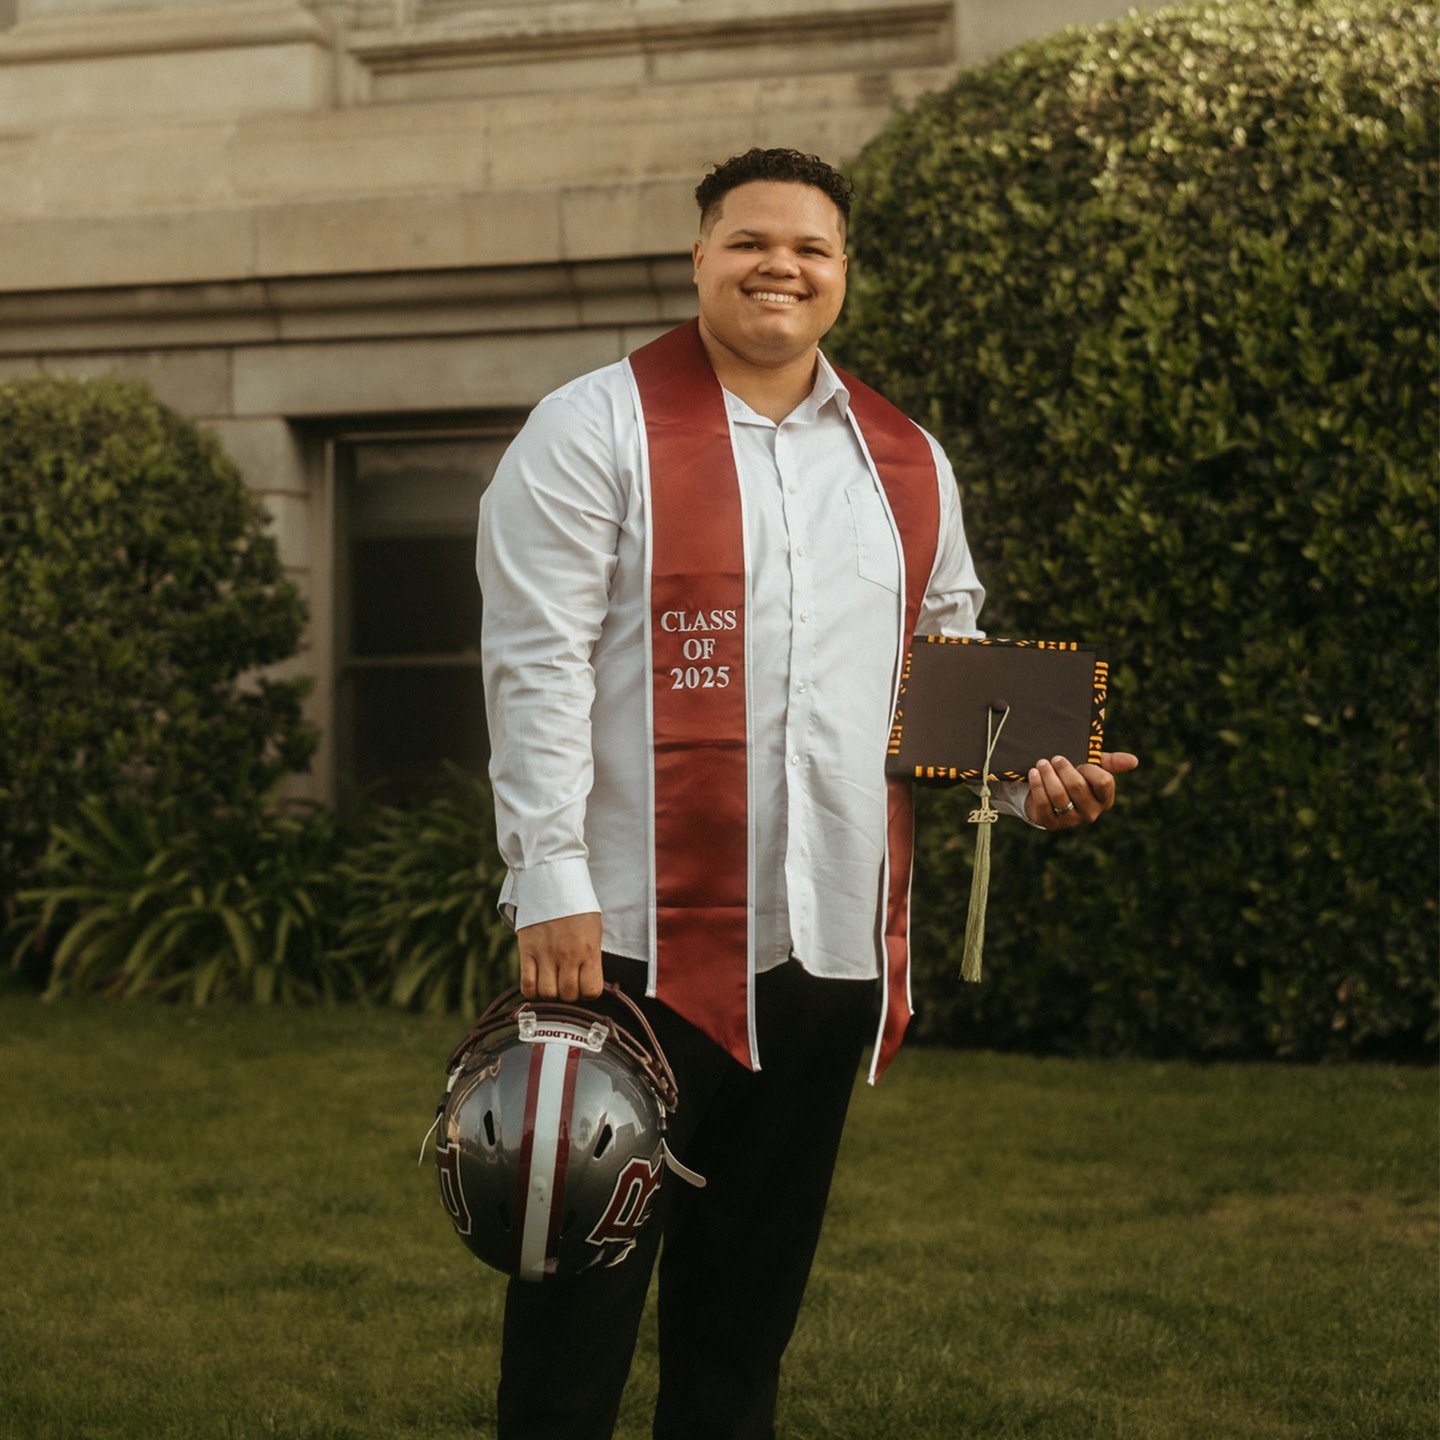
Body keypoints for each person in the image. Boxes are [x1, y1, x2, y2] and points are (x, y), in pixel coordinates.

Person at [476, 147, 1138, 1440]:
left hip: (827, 944)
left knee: (743, 1321)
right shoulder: (593, 427)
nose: (781, 263)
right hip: (630, 942)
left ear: (842, 274)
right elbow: (532, 663)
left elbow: (945, 673)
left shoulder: (902, 459)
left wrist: (1026, 791)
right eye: (750, 240)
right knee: (576, 1320)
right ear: (699, 257)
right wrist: (547, 879)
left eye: (811, 247)